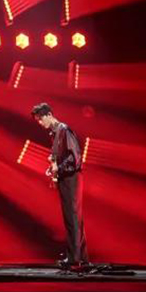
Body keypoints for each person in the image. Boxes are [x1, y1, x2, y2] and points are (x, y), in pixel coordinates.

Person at [31, 102, 89, 271]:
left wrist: (59, 168)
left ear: (49, 115)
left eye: (40, 119)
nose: (40, 123)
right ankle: (80, 257)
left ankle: (74, 259)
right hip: (66, 177)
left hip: (72, 178)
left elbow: (75, 158)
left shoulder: (64, 130)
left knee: (72, 218)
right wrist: (54, 169)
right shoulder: (55, 133)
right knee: (73, 218)